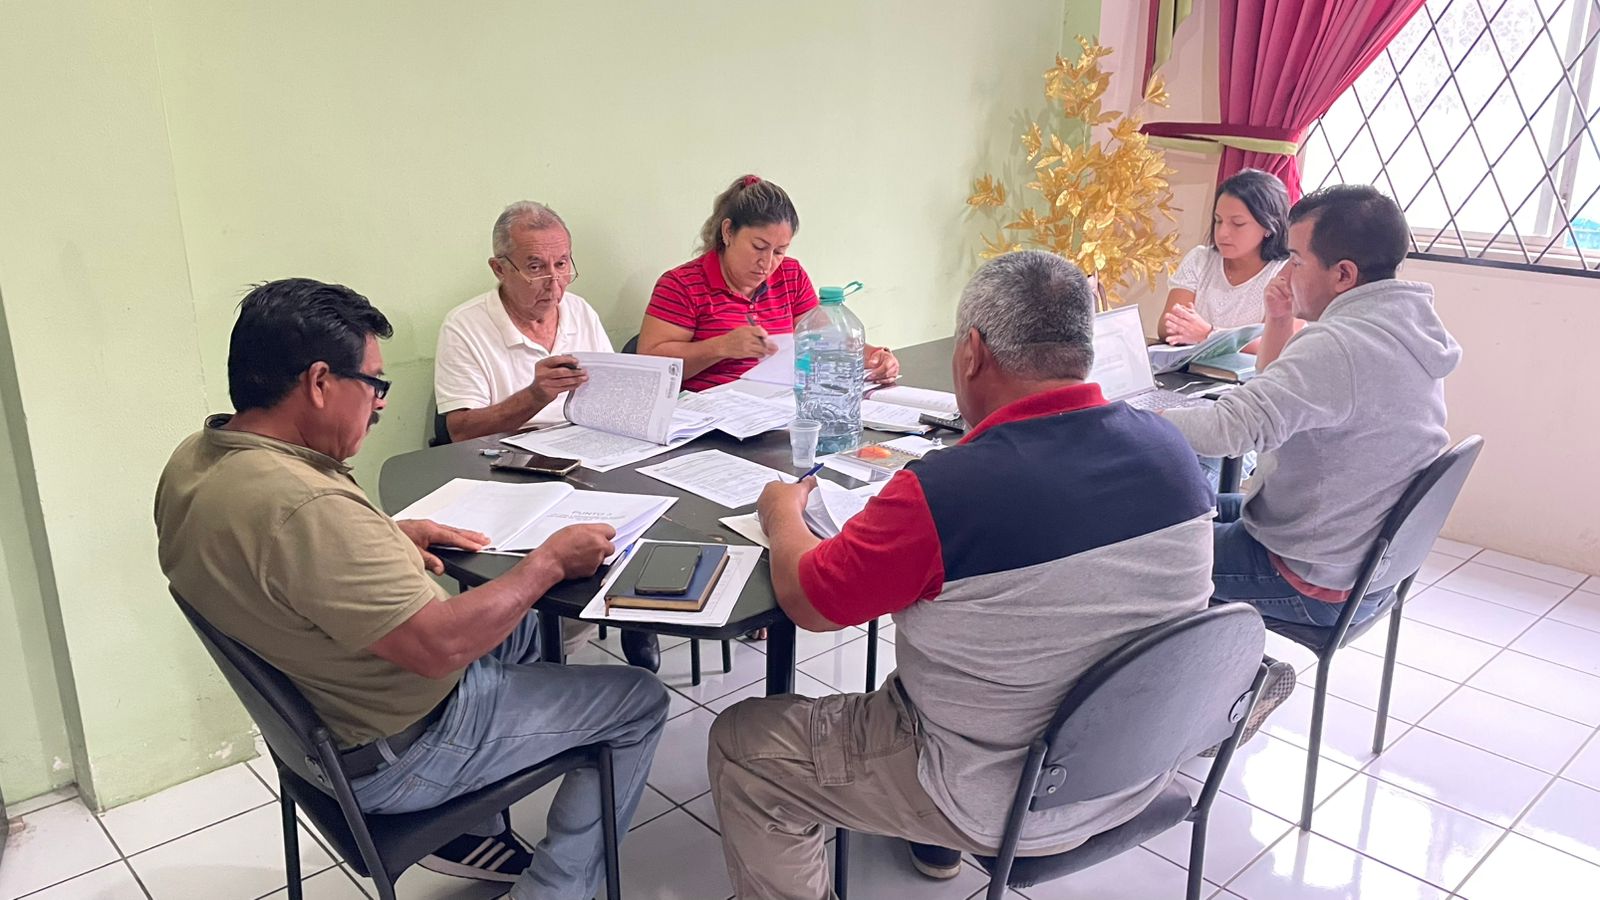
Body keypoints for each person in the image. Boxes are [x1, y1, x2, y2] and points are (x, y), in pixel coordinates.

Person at [706, 251, 1220, 899]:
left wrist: (783, 514)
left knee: (743, 744)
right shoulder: (1172, 451)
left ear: (972, 352)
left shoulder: (949, 490)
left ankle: (931, 823)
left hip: (998, 794)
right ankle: (931, 840)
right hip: (1138, 764)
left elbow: (810, 602)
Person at [155, 279, 670, 899]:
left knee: (532, 628)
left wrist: (386, 537)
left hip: (324, 721)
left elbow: (276, 559)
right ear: (319, 382)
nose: (378, 405)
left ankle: (475, 828)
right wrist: (548, 563)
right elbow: (439, 648)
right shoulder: (306, 505)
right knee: (639, 699)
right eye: (373, 384)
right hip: (401, 745)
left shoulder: (199, 459)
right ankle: (555, 891)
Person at [1163, 185, 1462, 631]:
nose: (1287, 273)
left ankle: (1221, 667)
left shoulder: (1340, 344)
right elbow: (1274, 391)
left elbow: (1229, 431)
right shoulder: (1404, 325)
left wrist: (1137, 421)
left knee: (1149, 556)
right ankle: (1233, 659)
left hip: (1311, 575)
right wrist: (1280, 318)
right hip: (1363, 563)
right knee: (1176, 513)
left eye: (1297, 261)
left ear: (1343, 274)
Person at [434, 201, 661, 671]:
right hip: (507, 467)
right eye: (536, 267)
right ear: (499, 268)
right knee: (578, 541)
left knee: (652, 501)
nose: (554, 283)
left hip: (586, 452)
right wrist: (534, 395)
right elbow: (459, 429)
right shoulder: (466, 326)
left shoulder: (578, 311)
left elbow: (607, 394)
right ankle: (549, 648)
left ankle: (637, 613)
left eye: (562, 265)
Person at [638, 174, 901, 391]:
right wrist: (720, 347)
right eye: (758, 247)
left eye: (779, 251)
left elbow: (823, 340)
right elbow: (648, 367)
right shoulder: (682, 285)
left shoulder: (790, 275)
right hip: (708, 418)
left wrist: (872, 356)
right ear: (728, 232)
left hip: (778, 407)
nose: (767, 263)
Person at [1158, 168, 1291, 345]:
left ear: (1268, 226)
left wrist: (1208, 334)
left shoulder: (1285, 272)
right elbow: (1169, 326)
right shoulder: (1200, 259)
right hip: (1188, 363)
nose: (1222, 233)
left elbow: (1274, 345)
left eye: (1238, 223)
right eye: (1218, 220)